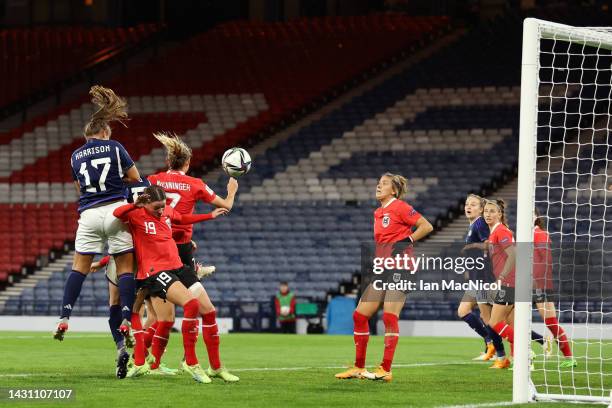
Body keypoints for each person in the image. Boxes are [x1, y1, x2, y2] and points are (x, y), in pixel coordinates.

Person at [147, 132, 239, 382]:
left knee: (166, 317)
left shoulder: (153, 180)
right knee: (199, 312)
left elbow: (141, 211)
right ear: (187, 164)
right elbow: (226, 206)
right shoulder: (196, 184)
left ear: (168, 161)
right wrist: (231, 190)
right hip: (177, 253)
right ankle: (186, 363)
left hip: (157, 251)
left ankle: (210, 367)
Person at [113, 185, 228, 382]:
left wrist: (209, 215)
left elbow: (182, 219)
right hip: (155, 271)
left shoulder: (165, 211)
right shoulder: (136, 215)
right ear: (146, 202)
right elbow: (116, 213)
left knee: (208, 310)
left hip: (178, 266)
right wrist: (135, 205)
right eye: (157, 207)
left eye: (163, 206)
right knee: (188, 306)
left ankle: (214, 367)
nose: (161, 210)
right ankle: (190, 362)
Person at [55, 86, 141, 342]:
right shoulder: (114, 147)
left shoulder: (74, 156)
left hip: (89, 213)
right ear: (104, 132)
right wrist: (118, 181)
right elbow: (135, 178)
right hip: (116, 210)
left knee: (78, 268)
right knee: (125, 268)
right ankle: (127, 318)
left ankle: (64, 317)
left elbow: (79, 188)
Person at [335, 173, 433, 382]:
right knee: (360, 315)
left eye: (384, 184)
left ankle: (385, 369)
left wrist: (407, 240)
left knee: (389, 316)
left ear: (394, 190)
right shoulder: (378, 212)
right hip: (383, 268)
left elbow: (426, 226)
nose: (379, 186)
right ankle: (359, 367)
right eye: (378, 183)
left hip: (402, 267)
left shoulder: (400, 206)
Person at [457, 194, 505, 362]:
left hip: (484, 278)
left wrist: (472, 246)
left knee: (489, 318)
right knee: (466, 311)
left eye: (473, 204)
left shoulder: (480, 224)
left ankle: (500, 351)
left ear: (481, 209)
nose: (468, 206)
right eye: (467, 203)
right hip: (476, 277)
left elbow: (490, 244)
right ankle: (491, 344)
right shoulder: (473, 225)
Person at [532, 210, 575, 367]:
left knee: (550, 322)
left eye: (531, 214)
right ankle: (521, 356)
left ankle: (569, 358)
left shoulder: (540, 234)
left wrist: (536, 279)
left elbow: (546, 260)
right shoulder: (524, 235)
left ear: (536, 217)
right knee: (512, 320)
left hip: (539, 283)